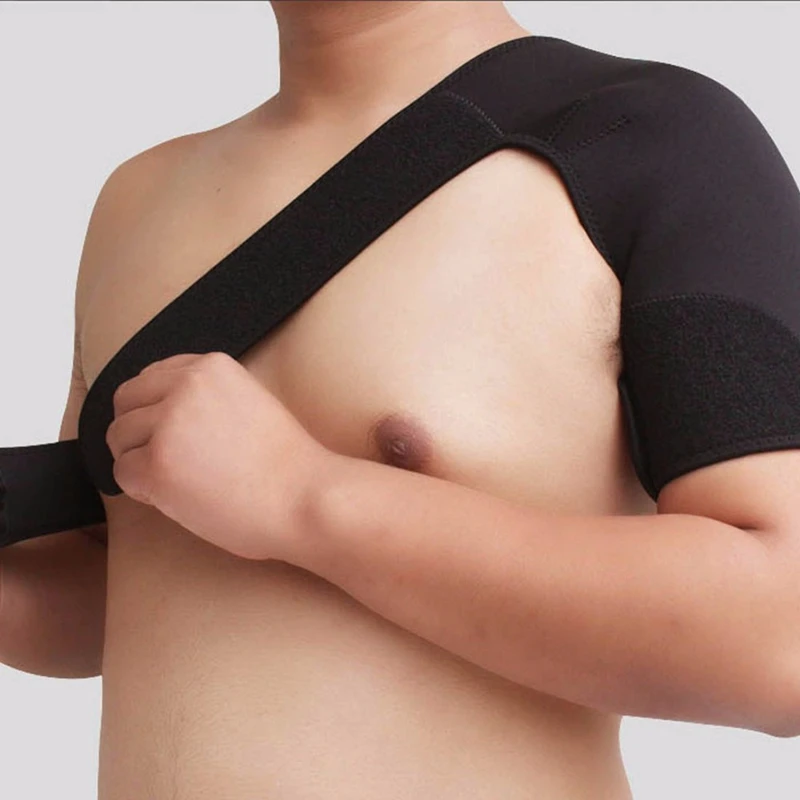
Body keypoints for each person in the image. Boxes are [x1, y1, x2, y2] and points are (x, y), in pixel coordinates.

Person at [2, 2, 799, 797]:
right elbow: (122, 585)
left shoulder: (654, 141)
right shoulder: (137, 198)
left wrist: (302, 496)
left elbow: (779, 638)